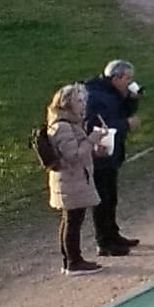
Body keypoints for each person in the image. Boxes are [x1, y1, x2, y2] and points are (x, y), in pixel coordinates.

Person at [37, 83, 104, 272]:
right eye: (79, 101)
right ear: (67, 104)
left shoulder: (69, 124)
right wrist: (92, 139)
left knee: (71, 220)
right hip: (71, 181)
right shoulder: (63, 127)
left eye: (84, 101)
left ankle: (71, 260)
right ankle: (74, 261)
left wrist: (95, 147)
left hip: (73, 181)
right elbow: (73, 156)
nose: (83, 105)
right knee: (72, 221)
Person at [85, 55, 145, 255]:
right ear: (116, 78)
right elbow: (99, 127)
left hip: (111, 154)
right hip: (99, 156)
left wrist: (131, 100)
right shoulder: (96, 98)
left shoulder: (111, 94)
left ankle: (113, 234)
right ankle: (104, 242)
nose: (130, 83)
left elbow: (120, 113)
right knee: (103, 199)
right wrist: (126, 125)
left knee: (111, 197)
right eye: (127, 79)